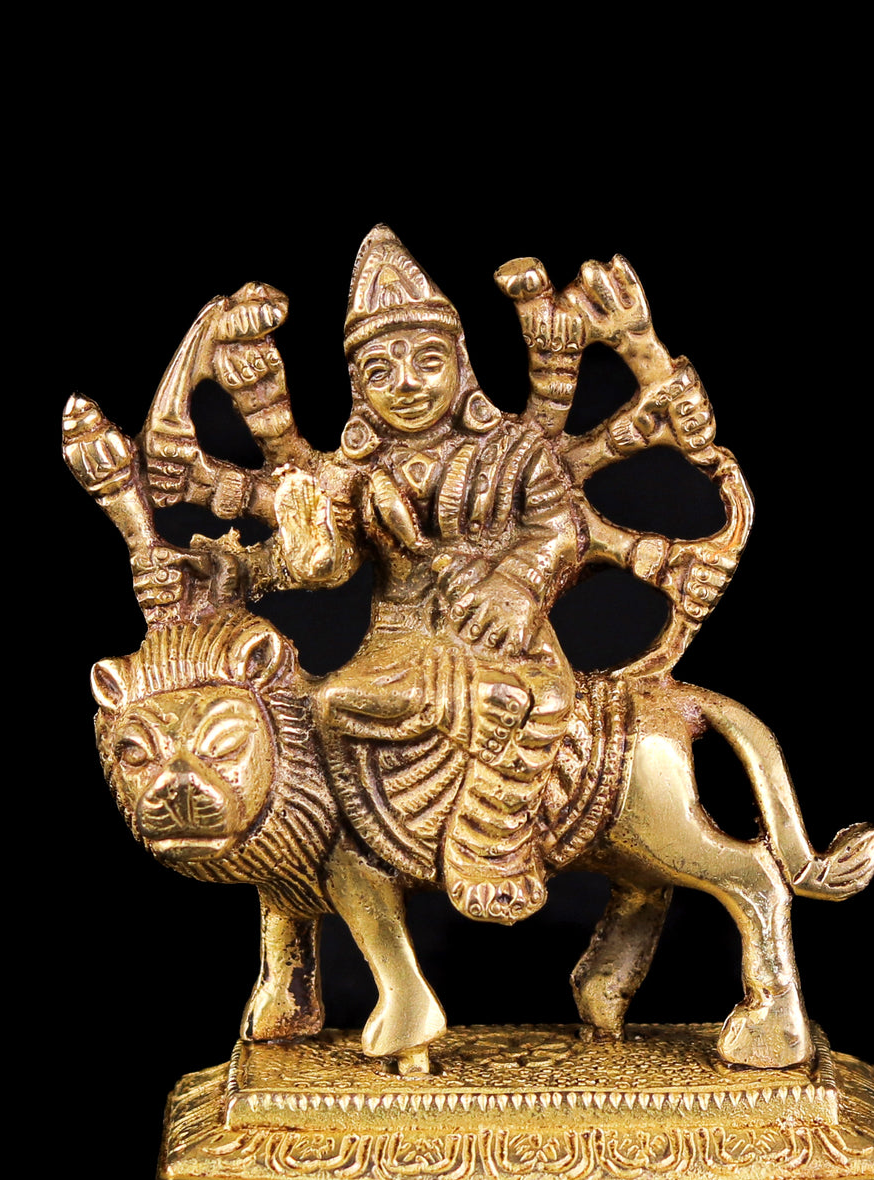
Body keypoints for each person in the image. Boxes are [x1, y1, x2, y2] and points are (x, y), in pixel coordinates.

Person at [144, 227, 585, 924]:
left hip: (502, 635)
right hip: (400, 639)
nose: (405, 385)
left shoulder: (515, 450)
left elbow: (561, 529)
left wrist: (516, 585)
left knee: (528, 701)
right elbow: (325, 548)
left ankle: (492, 841)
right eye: (380, 372)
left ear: (461, 365)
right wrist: (238, 530)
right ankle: (368, 844)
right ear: (358, 388)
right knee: (328, 705)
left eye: (427, 362)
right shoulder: (357, 472)